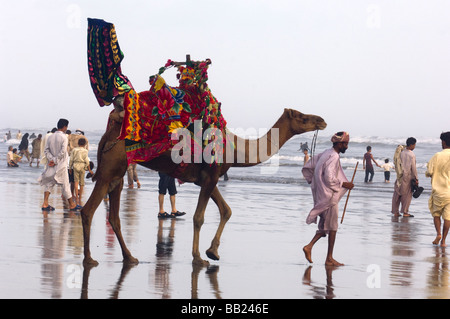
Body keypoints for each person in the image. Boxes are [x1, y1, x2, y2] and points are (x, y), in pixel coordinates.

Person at [302, 132, 354, 266]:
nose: (346, 147)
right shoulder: (334, 156)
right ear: (339, 143)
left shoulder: (326, 152)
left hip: (322, 195)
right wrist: (344, 184)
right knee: (332, 227)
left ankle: (309, 247)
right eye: (345, 144)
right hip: (329, 196)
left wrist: (315, 183)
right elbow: (329, 178)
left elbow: (310, 165)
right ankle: (329, 258)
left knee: (327, 225)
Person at [38, 118, 78, 211]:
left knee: (49, 183)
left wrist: (51, 159)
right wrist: (55, 160)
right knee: (65, 185)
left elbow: (46, 150)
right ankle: (72, 204)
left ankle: (45, 203)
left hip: (51, 164)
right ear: (64, 127)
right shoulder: (64, 137)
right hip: (61, 165)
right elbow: (63, 151)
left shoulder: (51, 136)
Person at [426, 132, 450, 247]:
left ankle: (438, 234)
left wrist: (429, 174)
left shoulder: (437, 155)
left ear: (444, 142)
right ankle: (444, 241)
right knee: (448, 217)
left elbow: (429, 171)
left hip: (438, 191)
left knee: (436, 214)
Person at [391, 137, 418, 217]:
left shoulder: (401, 152)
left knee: (397, 193)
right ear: (411, 145)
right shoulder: (411, 154)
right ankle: (405, 212)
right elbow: (413, 168)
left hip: (399, 175)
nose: (414, 146)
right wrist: (416, 178)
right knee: (407, 195)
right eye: (414, 145)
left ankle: (395, 212)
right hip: (407, 176)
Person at [69, 137, 94, 207]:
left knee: (76, 182)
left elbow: (71, 159)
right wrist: (89, 169)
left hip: (75, 165)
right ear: (85, 144)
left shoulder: (74, 150)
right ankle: (80, 198)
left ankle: (76, 197)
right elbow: (86, 160)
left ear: (78, 143)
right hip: (82, 166)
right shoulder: (85, 151)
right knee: (82, 182)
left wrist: (70, 167)